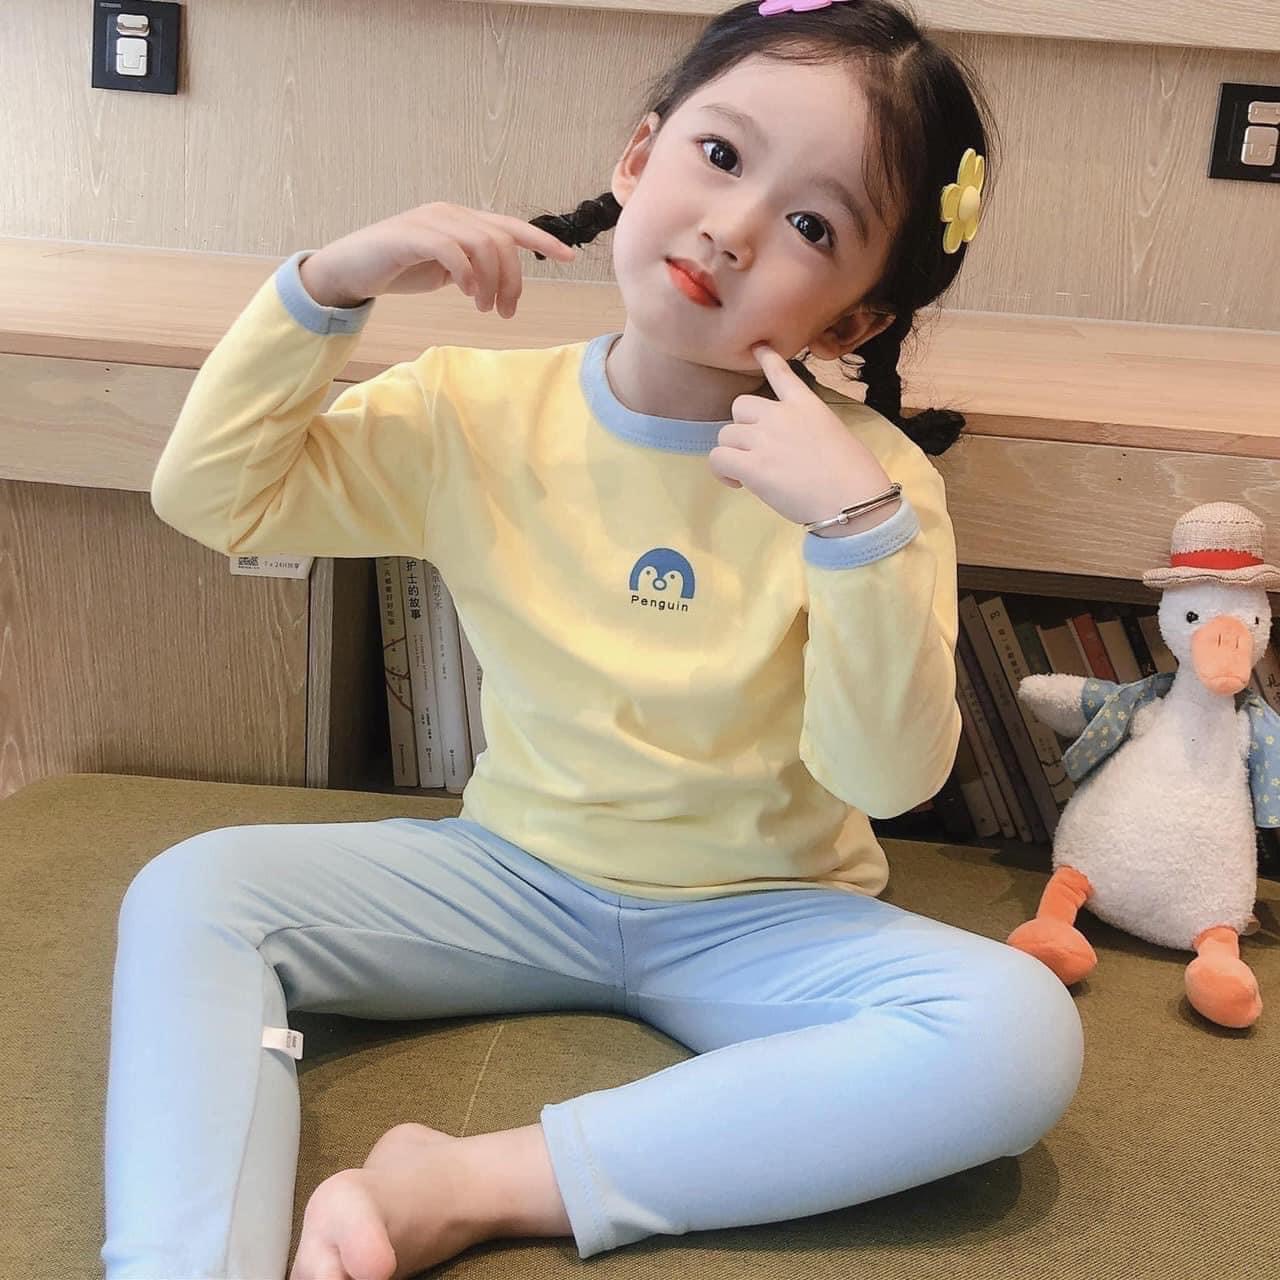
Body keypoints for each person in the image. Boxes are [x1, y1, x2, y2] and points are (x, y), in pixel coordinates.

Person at [102, 3, 1083, 1277]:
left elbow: (885, 779)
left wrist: (854, 531)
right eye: (719, 156)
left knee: (1017, 1032)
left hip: (766, 915)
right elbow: (218, 496)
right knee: (194, 889)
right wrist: (326, 286)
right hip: (511, 876)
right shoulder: (471, 407)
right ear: (635, 159)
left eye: (810, 226)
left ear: (850, 323)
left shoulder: (871, 485)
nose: (731, 228)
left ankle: (468, 1185)